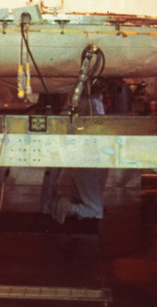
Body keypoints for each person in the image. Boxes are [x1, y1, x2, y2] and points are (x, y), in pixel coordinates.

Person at [45, 87, 109, 225]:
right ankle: (68, 207)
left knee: (84, 198)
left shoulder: (73, 99)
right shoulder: (92, 102)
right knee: (95, 211)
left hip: (79, 160)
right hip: (90, 160)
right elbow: (99, 126)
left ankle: (65, 205)